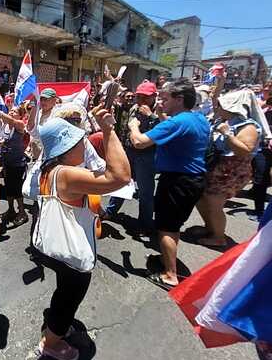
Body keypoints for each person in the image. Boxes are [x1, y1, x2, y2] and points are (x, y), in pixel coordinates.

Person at [35, 112, 130, 360]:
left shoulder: (50, 169)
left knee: (64, 291)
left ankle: (56, 326)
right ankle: (51, 343)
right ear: (66, 148)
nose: (84, 144)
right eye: (80, 142)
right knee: (70, 297)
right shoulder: (66, 173)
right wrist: (109, 129)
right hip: (71, 254)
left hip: (55, 248)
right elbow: (120, 176)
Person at [128, 79, 210, 289]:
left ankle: (170, 275)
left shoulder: (177, 122)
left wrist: (133, 126)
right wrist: (155, 117)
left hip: (178, 181)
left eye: (164, 98)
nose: (160, 102)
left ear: (179, 99)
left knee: (166, 228)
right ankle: (167, 261)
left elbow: (139, 142)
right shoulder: (198, 118)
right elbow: (172, 126)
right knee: (173, 225)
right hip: (193, 179)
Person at [196, 89, 261, 247]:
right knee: (202, 198)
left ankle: (219, 237)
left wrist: (227, 134)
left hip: (231, 171)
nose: (217, 108)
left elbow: (245, 150)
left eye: (220, 105)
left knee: (214, 203)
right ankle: (210, 228)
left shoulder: (248, 126)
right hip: (216, 167)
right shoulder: (223, 120)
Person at [104, 81, 160, 235]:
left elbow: (164, 131)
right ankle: (110, 211)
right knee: (121, 182)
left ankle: (145, 224)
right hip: (129, 150)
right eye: (139, 96)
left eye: (145, 97)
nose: (141, 100)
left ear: (154, 96)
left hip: (146, 155)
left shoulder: (159, 111)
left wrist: (151, 116)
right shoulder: (134, 108)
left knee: (145, 192)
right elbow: (124, 126)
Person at [0, 106, 29, 227]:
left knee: (17, 189)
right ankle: (11, 210)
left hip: (17, 162)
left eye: (15, 111)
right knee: (8, 187)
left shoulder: (19, 124)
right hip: (6, 162)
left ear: (20, 116)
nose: (11, 112)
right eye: (10, 110)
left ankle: (22, 212)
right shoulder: (4, 126)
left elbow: (11, 121)